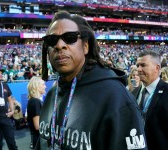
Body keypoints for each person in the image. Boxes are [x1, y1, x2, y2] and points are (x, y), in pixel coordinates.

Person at [38, 11, 146, 150]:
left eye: (69, 38)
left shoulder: (115, 96)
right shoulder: (52, 93)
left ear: (86, 46)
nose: (59, 45)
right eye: (52, 40)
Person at [132, 50, 168, 150]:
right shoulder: (133, 93)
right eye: (137, 65)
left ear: (157, 68)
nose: (139, 69)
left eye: (143, 65)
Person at [27, 77, 46, 149]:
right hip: (39, 139)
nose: (45, 86)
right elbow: (37, 126)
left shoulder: (34, 101)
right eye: (43, 84)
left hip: (38, 138)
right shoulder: (35, 102)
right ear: (37, 87)